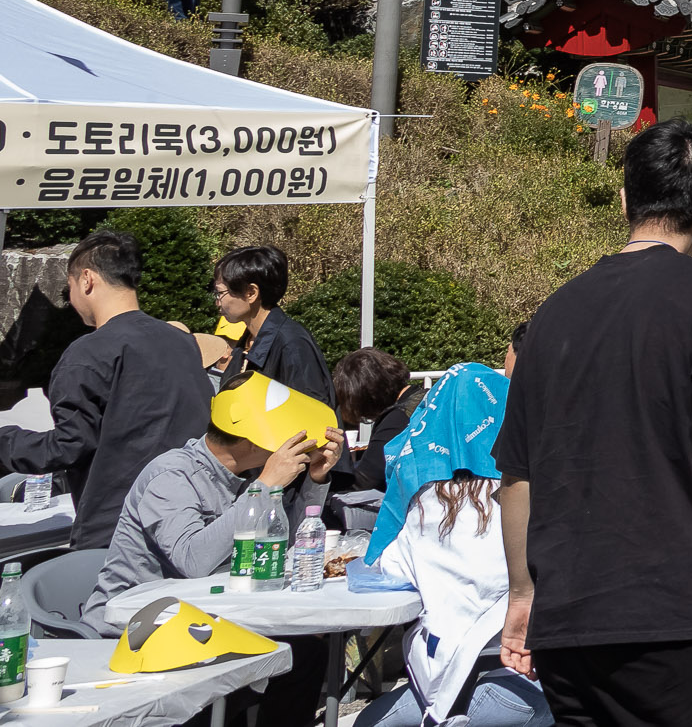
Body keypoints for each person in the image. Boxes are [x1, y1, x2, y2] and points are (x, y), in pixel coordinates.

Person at [495, 121, 692, 727]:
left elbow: (517, 476)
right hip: (674, 616)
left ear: (623, 198)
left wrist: (523, 595)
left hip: (569, 629)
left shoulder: (554, 311)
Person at [87, 371, 341, 720]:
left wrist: (316, 479)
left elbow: (284, 543)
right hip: (140, 626)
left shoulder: (245, 478)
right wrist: (265, 485)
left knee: (304, 656)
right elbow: (193, 561)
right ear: (253, 442)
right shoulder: (173, 476)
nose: (294, 449)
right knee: (263, 668)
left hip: (210, 618)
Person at [357, 362, 551, 727]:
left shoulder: (422, 504)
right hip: (533, 681)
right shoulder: (533, 496)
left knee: (368, 722)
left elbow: (388, 569)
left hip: (451, 680)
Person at [0, 228, 209, 548]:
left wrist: (6, 440)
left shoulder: (88, 353)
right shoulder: (182, 343)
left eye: (68, 288)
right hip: (191, 516)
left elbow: (68, 446)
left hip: (118, 527)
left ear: (86, 280)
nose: (70, 300)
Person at [212, 243, 333, 403]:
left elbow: (312, 411)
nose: (217, 302)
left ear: (251, 293)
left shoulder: (292, 344)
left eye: (220, 293)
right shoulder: (247, 342)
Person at [331, 345, 427, 492]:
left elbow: (365, 482)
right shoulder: (423, 398)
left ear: (363, 395)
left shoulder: (398, 418)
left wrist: (323, 478)